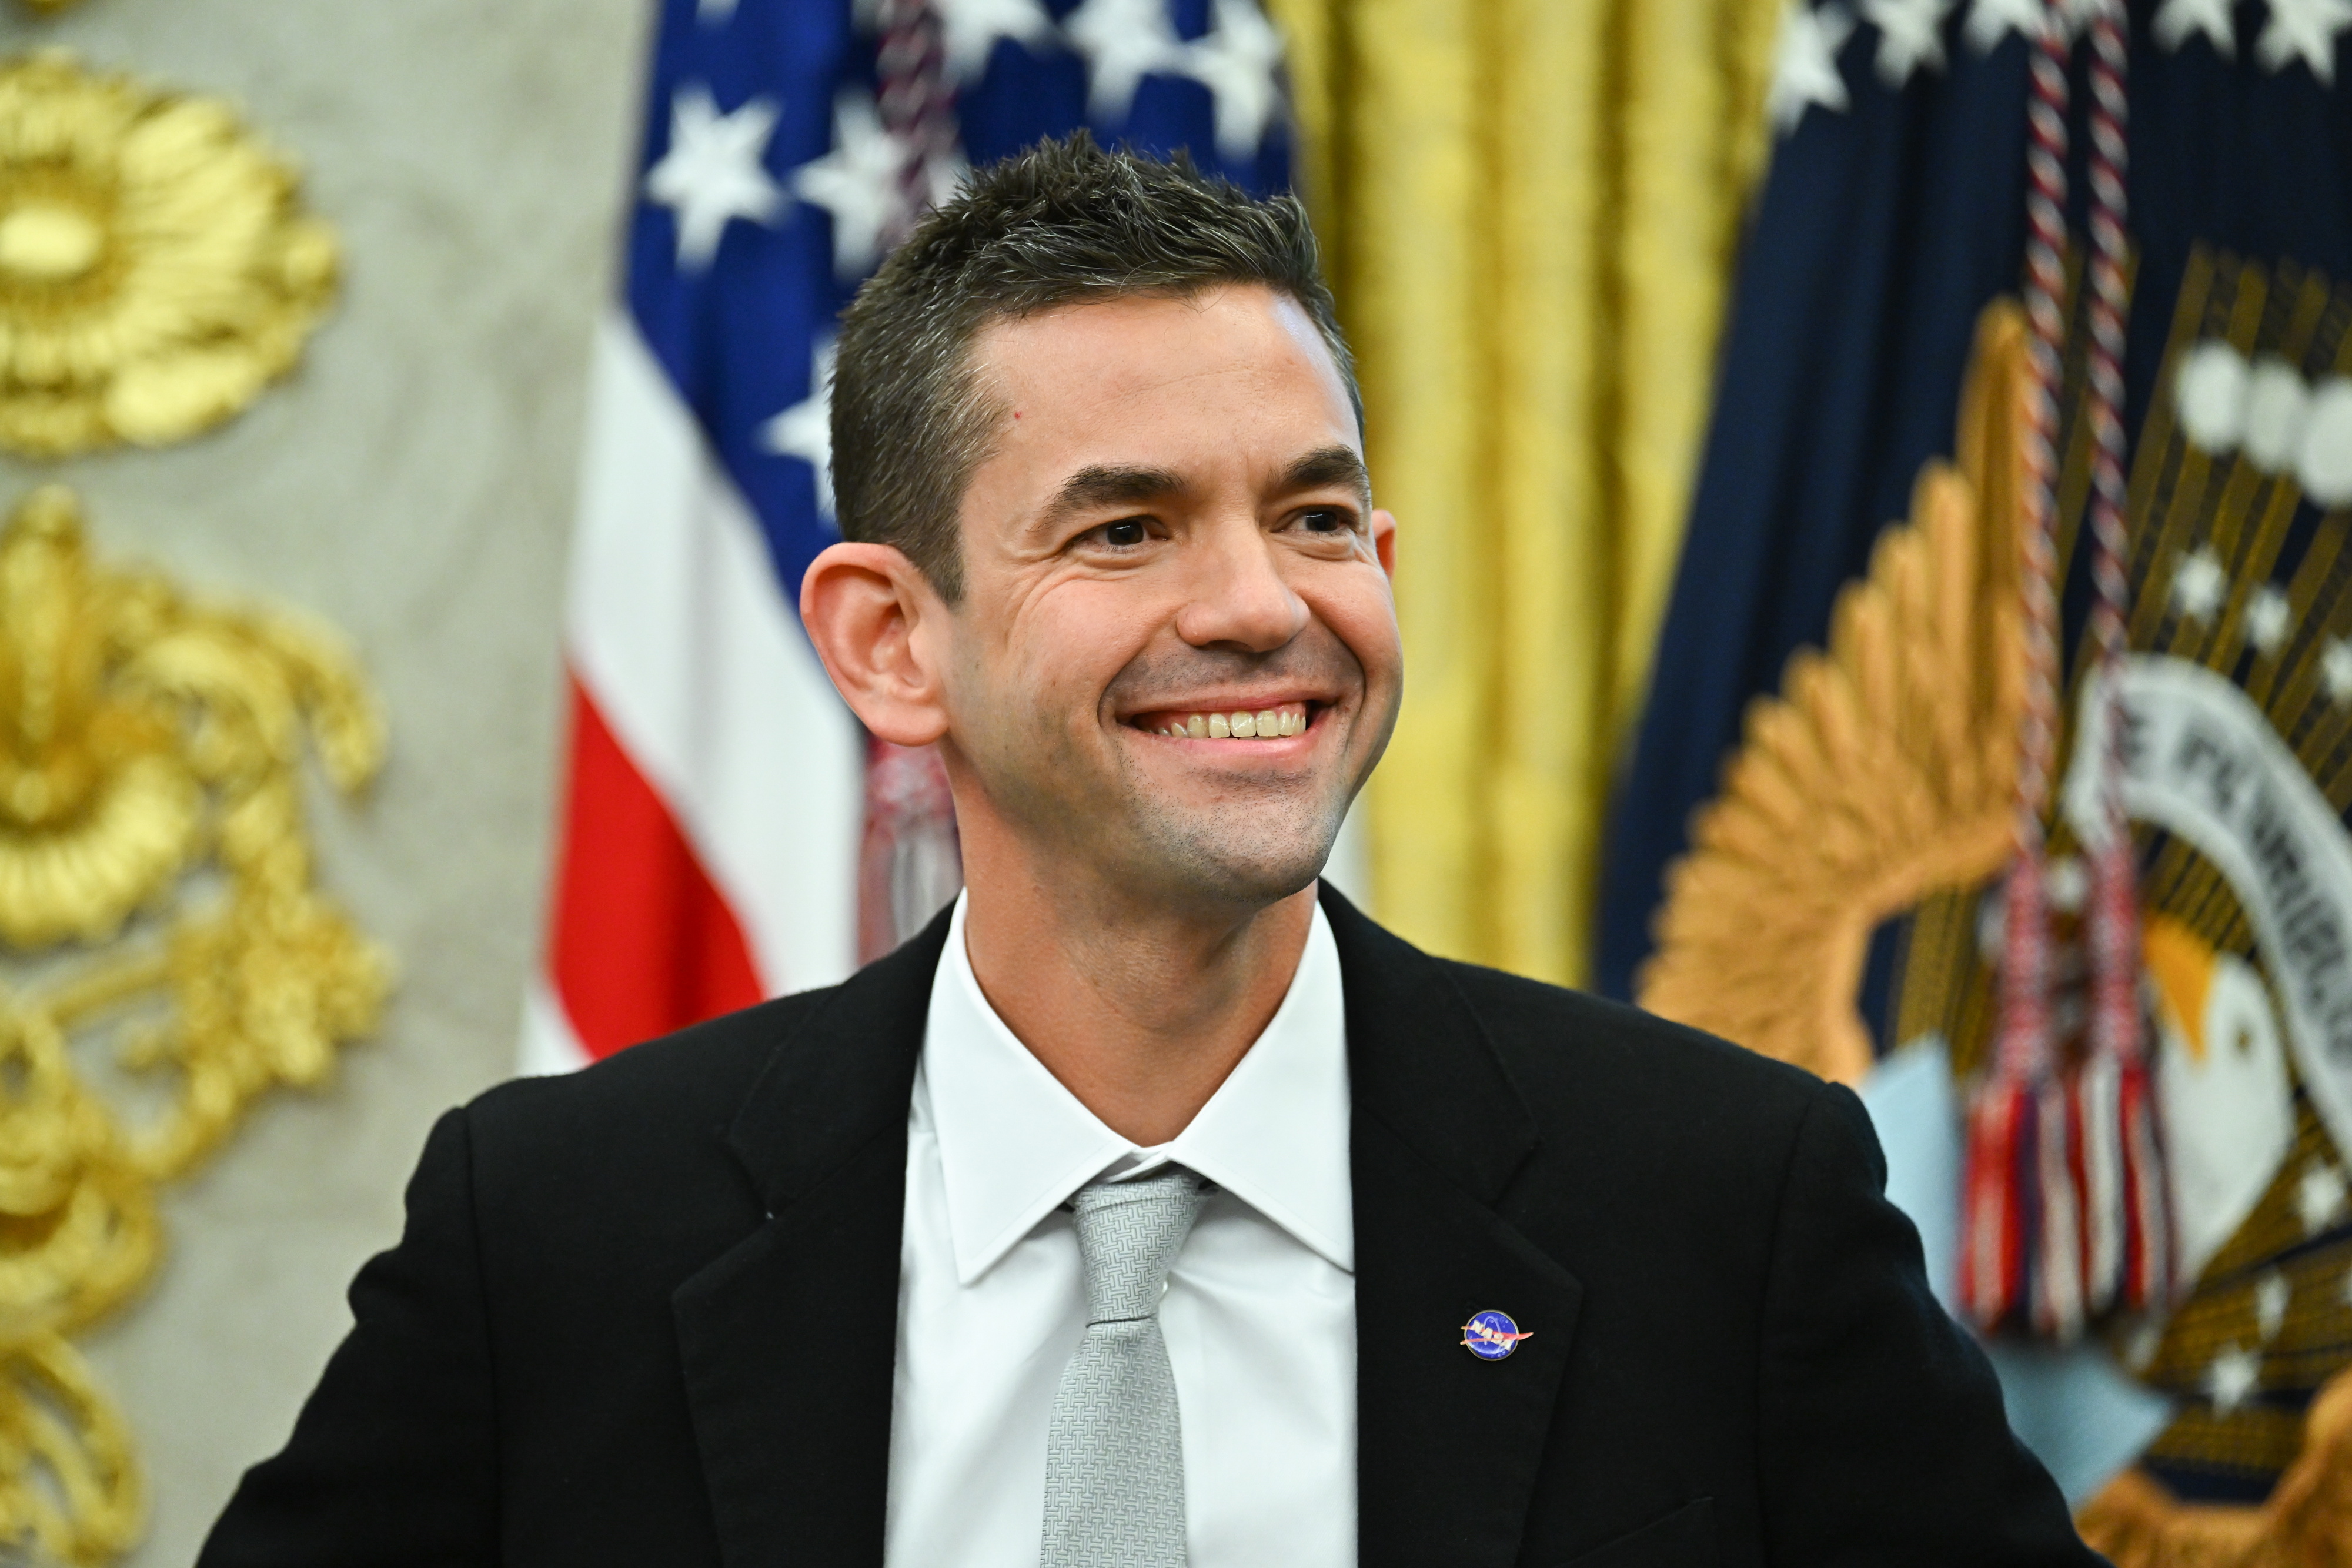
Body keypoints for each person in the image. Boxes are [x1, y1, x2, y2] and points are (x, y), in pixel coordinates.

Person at [199, 135, 2101, 1568]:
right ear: (890, 638)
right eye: (1127, 530)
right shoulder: (556, 1237)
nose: (1262, 605)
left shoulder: (1722, 1204)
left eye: (1317, 516)